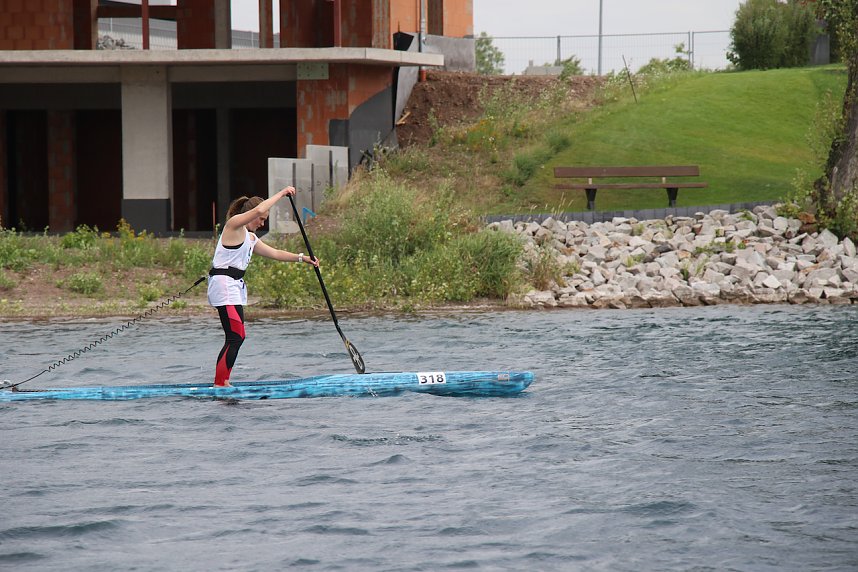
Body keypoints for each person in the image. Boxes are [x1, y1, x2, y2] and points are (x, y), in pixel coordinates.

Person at [207, 186, 319, 387]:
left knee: (236, 336)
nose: (262, 222)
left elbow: (275, 253)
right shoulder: (233, 226)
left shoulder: (250, 238)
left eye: (265, 220)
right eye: (262, 219)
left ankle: (222, 382)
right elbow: (259, 210)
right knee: (236, 336)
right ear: (249, 215)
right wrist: (282, 193)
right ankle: (220, 384)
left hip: (234, 288)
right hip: (223, 286)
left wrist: (303, 258)